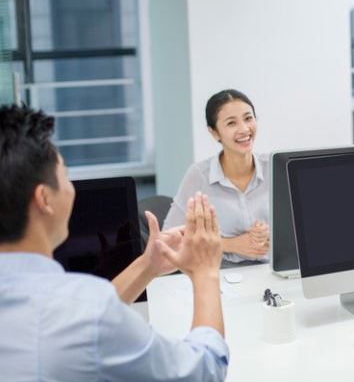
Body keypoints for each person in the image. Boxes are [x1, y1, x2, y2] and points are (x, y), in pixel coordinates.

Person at [0, 104, 228, 381]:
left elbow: (80, 318)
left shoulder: (73, 310)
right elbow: (203, 369)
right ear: (44, 199)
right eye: (66, 176)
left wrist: (148, 264)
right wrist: (206, 272)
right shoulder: (86, 312)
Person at [164, 89, 270, 265]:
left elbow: (300, 228)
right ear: (214, 132)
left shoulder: (274, 167)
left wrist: (271, 235)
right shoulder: (199, 175)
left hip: (271, 270)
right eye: (231, 123)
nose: (244, 129)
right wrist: (230, 244)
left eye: (248, 118)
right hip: (222, 273)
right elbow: (169, 240)